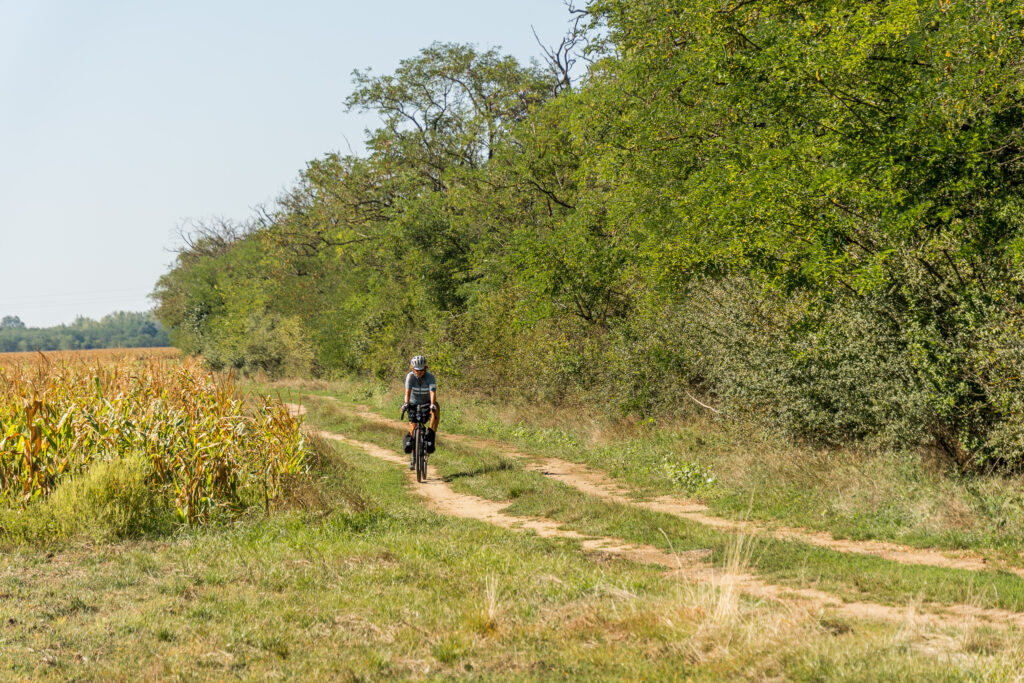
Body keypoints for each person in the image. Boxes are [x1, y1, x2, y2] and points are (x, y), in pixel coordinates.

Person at [401, 355, 439, 468]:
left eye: (421, 370)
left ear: (425, 369)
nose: (419, 372)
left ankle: (431, 433)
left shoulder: (430, 377)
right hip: (413, 402)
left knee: (436, 410)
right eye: (416, 370)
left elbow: (432, 392)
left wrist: (432, 404)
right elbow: (407, 392)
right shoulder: (410, 377)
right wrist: (406, 404)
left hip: (427, 402)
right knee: (413, 428)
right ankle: (413, 455)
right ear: (413, 369)